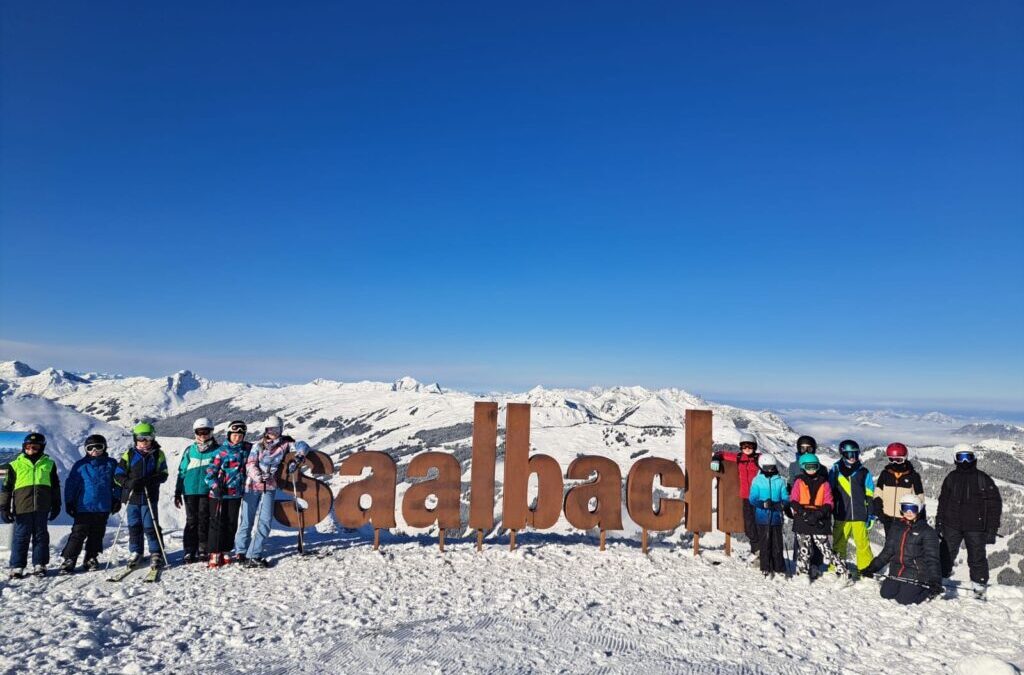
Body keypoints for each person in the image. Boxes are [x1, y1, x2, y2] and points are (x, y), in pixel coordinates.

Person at [235, 416, 304, 568]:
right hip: (252, 486)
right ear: (265, 430)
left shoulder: (286, 443)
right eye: (270, 430)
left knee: (265, 521)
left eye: (276, 429)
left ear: (281, 429)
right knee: (247, 519)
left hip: (270, 486)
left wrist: (299, 456)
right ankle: (240, 551)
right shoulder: (258, 445)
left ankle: (253, 554)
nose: (273, 433)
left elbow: (301, 445)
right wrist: (259, 477)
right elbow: (251, 463)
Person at [936, 447, 1002, 599]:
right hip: (951, 523)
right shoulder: (951, 477)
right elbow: (943, 501)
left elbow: (994, 505)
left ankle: (979, 587)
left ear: (974, 458)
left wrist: (992, 529)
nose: (965, 461)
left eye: (968, 457)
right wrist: (939, 521)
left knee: (977, 556)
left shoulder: (982, 478)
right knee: (945, 553)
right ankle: (940, 581)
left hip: (976, 526)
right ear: (955, 459)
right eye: (961, 457)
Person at [861, 494, 942, 605]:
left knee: (904, 600)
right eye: (905, 508)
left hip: (916, 573)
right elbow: (887, 552)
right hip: (896, 571)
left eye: (912, 508)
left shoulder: (927, 532)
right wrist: (872, 568)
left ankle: (927, 592)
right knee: (885, 594)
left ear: (919, 510)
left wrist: (935, 580)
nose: (908, 512)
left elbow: (932, 559)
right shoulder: (896, 527)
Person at [0, 432, 61, 578]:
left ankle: (39, 564)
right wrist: (4, 507)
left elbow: (55, 487)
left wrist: (56, 505)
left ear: (41, 448)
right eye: (28, 447)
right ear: (23, 447)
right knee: (21, 536)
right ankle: (17, 566)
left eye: (35, 447)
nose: (31, 449)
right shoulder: (14, 465)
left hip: (42, 506)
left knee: (41, 536)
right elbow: (6, 488)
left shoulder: (49, 464)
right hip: (22, 507)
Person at [60, 434, 121, 573]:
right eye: (90, 448)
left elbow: (117, 483)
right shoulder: (81, 465)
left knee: (97, 533)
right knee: (78, 533)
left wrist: (117, 499)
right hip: (84, 506)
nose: (95, 450)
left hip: (103, 505)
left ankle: (91, 557)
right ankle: (69, 558)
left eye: (98, 447)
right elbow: (71, 485)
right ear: (85, 449)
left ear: (104, 447)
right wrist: (69, 502)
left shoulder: (110, 464)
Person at [114, 422, 169, 569]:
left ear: (153, 438)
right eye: (141, 438)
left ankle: (156, 552)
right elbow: (118, 475)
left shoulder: (158, 454)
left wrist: (150, 480)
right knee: (134, 526)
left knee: (150, 526)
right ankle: (136, 552)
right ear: (135, 438)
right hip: (132, 497)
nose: (144, 442)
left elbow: (163, 474)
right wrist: (128, 482)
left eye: (148, 438)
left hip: (149, 497)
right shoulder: (129, 454)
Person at [788, 452, 848, 582]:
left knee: (825, 548)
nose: (811, 470)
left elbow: (829, 502)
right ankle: (802, 572)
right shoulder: (799, 482)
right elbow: (793, 500)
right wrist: (803, 513)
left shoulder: (824, 483)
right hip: (802, 518)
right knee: (804, 548)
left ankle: (843, 572)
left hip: (819, 518)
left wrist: (818, 514)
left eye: (814, 466)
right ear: (803, 467)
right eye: (808, 467)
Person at [174, 417, 221, 563]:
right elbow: (182, 471)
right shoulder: (190, 451)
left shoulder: (217, 451)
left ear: (211, 432)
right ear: (195, 433)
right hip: (189, 491)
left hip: (207, 491)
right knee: (191, 520)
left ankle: (203, 548)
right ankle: (189, 550)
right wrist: (177, 491)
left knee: (204, 519)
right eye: (199, 432)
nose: (202, 435)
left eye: (206, 432)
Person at [711, 432, 761, 560]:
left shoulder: (760, 459)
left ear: (754, 446)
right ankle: (756, 550)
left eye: (749, 446)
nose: (747, 449)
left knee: (761, 525)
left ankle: (763, 550)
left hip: (760, 497)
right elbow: (721, 453)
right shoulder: (739, 458)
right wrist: (716, 458)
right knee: (749, 526)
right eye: (744, 446)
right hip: (746, 498)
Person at [205, 422, 249, 568]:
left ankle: (225, 549)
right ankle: (214, 552)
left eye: (240, 436)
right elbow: (210, 472)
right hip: (219, 493)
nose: (237, 438)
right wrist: (215, 486)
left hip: (235, 494)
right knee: (217, 523)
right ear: (229, 435)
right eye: (235, 435)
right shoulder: (221, 451)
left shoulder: (245, 450)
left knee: (231, 523)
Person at [828, 439, 875, 575]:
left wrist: (871, 513)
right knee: (839, 542)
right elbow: (829, 491)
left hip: (860, 514)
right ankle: (837, 567)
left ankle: (865, 570)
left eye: (855, 454)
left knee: (862, 544)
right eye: (849, 454)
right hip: (841, 513)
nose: (853, 457)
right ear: (843, 454)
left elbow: (870, 494)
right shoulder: (836, 470)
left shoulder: (864, 472)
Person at [748, 454, 788, 578]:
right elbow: (752, 499)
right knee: (764, 543)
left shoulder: (780, 480)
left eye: (771, 467)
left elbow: (785, 497)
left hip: (776, 517)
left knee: (777, 544)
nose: (769, 470)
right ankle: (765, 567)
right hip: (762, 517)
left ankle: (779, 567)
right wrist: (763, 503)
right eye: (767, 467)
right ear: (761, 466)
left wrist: (780, 504)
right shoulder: (757, 480)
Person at [872, 442, 926, 533]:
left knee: (905, 545)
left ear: (905, 458)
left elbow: (920, 498)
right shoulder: (885, 474)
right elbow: (878, 494)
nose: (895, 463)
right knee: (889, 544)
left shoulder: (913, 476)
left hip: (905, 519)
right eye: (891, 459)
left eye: (898, 460)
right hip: (887, 518)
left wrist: (919, 518)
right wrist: (880, 513)